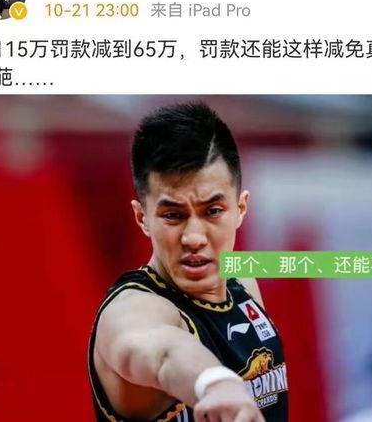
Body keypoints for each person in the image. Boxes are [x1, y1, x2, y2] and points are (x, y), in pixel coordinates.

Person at [88, 103, 288, 422]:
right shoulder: (130, 310)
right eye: (173, 215)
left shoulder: (241, 279)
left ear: (240, 208)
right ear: (142, 217)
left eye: (213, 211)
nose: (193, 237)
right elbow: (163, 353)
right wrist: (214, 382)